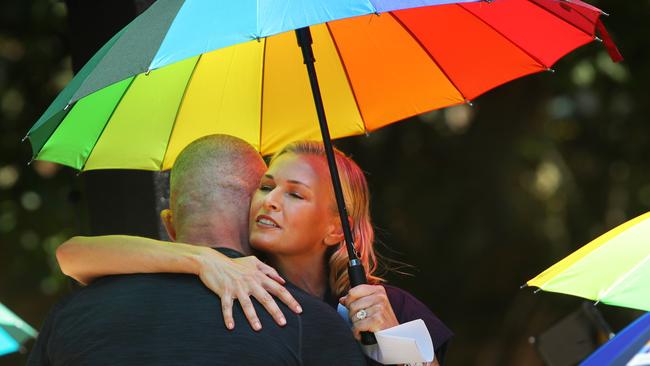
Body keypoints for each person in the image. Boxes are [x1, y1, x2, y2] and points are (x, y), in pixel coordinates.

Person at [56, 139, 453, 364]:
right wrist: (201, 258)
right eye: (266, 186)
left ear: (337, 228)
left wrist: (393, 339)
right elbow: (74, 254)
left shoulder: (393, 306)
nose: (271, 201)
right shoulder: (225, 277)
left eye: (295, 194)